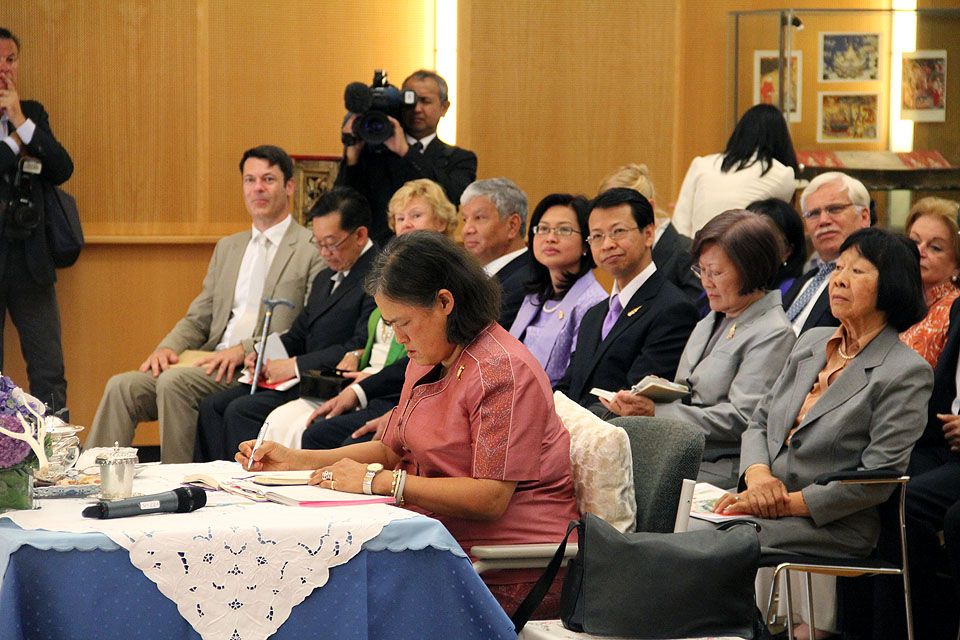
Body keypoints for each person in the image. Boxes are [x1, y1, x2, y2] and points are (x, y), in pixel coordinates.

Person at [238, 231, 579, 618]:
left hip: (508, 564)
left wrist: (379, 482)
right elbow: (390, 448)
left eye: (404, 323)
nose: (400, 339)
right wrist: (297, 460)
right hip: (437, 537)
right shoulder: (430, 354)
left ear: (445, 302)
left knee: (339, 598)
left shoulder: (501, 372)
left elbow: (490, 498)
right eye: (390, 326)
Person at [708, 228, 932, 638]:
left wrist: (778, 504)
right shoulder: (811, 342)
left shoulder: (905, 372)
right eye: (839, 267)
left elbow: (877, 479)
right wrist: (758, 477)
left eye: (858, 271)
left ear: (893, 286)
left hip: (833, 524)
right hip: (767, 500)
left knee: (719, 538)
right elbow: (759, 421)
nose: (840, 278)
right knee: (688, 518)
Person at [87, 146, 324, 463]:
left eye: (268, 179)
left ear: (290, 186)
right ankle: (94, 476)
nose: (258, 188)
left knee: (174, 383)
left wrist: (245, 349)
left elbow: (304, 325)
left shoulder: (311, 247)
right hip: (210, 359)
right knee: (123, 386)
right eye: (250, 180)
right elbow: (199, 317)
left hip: (252, 366)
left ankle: (180, 483)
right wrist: (166, 348)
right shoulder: (229, 247)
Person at [599, 210, 796, 488]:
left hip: (719, 465)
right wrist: (646, 397)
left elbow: (742, 418)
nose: (705, 282)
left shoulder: (773, 332)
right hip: (676, 448)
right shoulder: (712, 317)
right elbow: (686, 389)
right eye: (700, 270)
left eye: (715, 272)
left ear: (752, 269)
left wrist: (656, 411)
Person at [263, 179, 458, 452]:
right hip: (365, 381)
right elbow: (371, 338)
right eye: (400, 218)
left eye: (416, 216)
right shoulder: (392, 274)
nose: (406, 225)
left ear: (441, 222)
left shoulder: (446, 277)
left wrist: (363, 387)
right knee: (283, 423)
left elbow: (427, 355)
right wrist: (356, 355)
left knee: (319, 434)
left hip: (403, 390)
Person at [194, 187, 377, 462]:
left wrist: (292, 365)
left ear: (360, 236)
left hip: (327, 382)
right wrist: (263, 353)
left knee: (240, 410)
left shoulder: (376, 276)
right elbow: (301, 332)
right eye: (318, 244)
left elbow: (358, 346)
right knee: (213, 406)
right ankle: (209, 484)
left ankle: (242, 486)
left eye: (331, 244)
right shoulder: (326, 277)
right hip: (300, 375)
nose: (324, 253)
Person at [553, 188, 698, 410]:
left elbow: (632, 399)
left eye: (618, 231)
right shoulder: (594, 314)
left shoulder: (673, 309)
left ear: (649, 234)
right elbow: (570, 386)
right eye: (597, 236)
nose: (607, 244)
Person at [0, 28, 73, 412]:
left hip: (30, 258)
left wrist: (20, 120)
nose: (4, 70)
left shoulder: (32, 112)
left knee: (48, 371)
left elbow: (61, 168)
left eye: (10, 60)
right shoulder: (22, 131)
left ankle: (57, 456)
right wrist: (16, 143)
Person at [336, 69, 477, 243]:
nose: (416, 109)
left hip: (429, 252)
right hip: (377, 254)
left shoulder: (461, 159)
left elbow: (449, 197)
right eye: (409, 101)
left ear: (444, 107)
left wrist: (406, 152)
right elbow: (343, 205)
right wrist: (352, 156)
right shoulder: (375, 154)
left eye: (425, 101)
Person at [508, 194, 607, 385]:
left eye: (563, 230)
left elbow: (577, 379)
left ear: (587, 242)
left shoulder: (593, 303)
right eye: (543, 229)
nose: (550, 238)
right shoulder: (534, 297)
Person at [672, 104, 798, 237]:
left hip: (698, 252)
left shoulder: (701, 164)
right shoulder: (782, 174)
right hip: (745, 253)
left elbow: (680, 226)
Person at [782, 172, 872, 335]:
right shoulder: (806, 279)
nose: (823, 220)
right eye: (813, 213)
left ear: (864, 216)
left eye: (834, 209)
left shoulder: (872, 278)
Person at [599, 163, 701, 301]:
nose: (609, 243)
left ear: (648, 208)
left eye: (619, 226)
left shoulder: (687, 253)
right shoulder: (626, 255)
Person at [459, 177, 532, 328]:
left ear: (512, 225)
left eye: (479, 218)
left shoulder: (525, 282)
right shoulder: (475, 277)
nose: (467, 230)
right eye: (465, 219)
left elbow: (475, 341)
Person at [900, 196, 960, 369]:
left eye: (935, 247)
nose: (919, 251)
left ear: (957, 264)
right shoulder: (896, 300)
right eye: (914, 241)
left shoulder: (953, 312)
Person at [746, 197, 807, 297]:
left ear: (787, 251)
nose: (752, 246)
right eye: (747, 236)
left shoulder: (791, 291)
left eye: (764, 240)